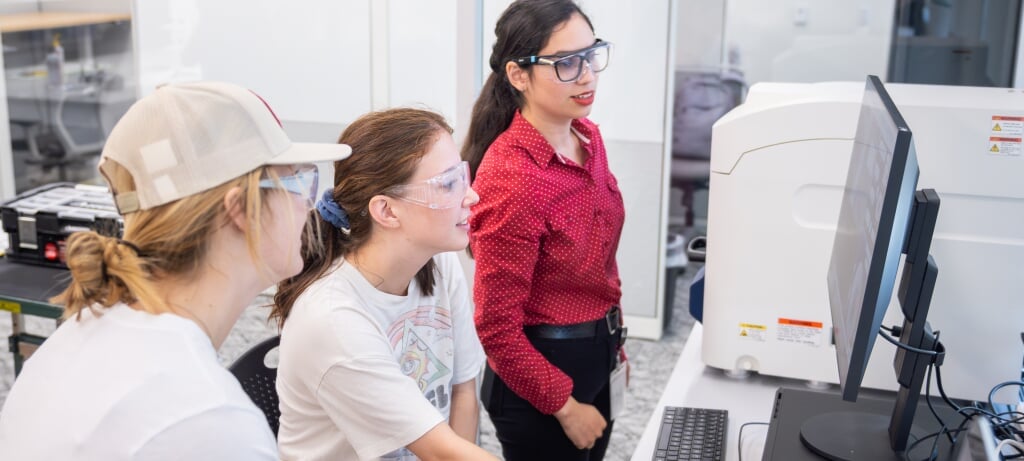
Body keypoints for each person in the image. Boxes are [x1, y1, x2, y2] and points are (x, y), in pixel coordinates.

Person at [0, 81, 352, 459]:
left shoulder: (79, 336)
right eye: (299, 182)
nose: (308, 206)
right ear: (242, 210)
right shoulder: (207, 419)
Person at [271, 108, 496, 461]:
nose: (472, 197)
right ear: (387, 211)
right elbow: (443, 452)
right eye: (448, 184)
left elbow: (463, 389)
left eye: (462, 176)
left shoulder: (437, 261)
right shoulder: (332, 318)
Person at [462, 1, 626, 460]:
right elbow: (495, 327)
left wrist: (614, 346)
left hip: (600, 350)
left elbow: (598, 264)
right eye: (566, 63)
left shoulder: (588, 138)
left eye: (591, 55)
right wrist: (566, 407)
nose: (588, 75)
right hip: (540, 379)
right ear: (518, 75)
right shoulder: (512, 178)